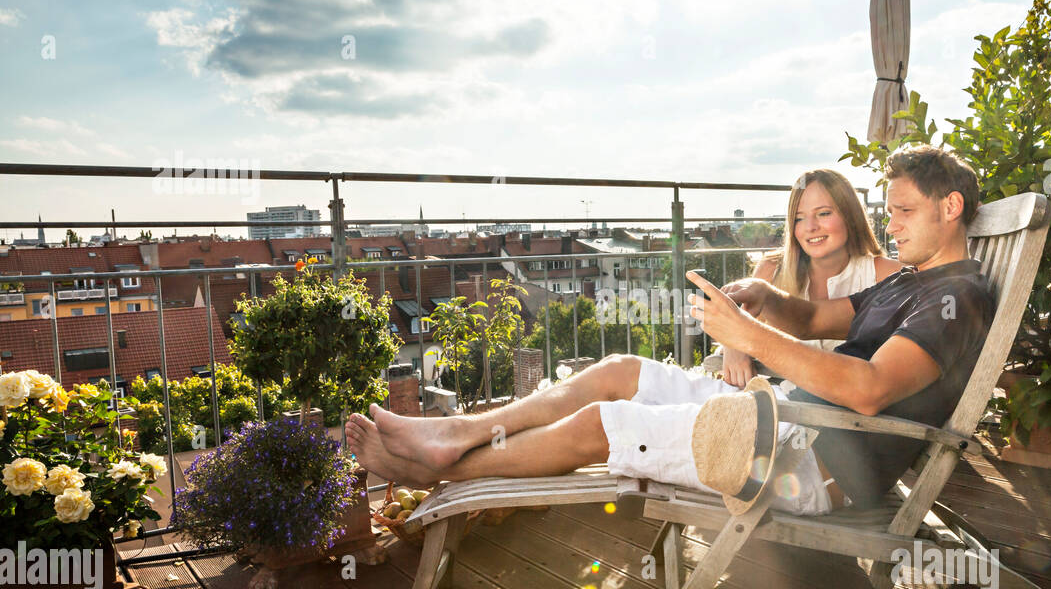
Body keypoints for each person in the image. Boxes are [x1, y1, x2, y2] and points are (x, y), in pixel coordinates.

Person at [347, 144, 996, 516]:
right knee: (617, 371)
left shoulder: (956, 298)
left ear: (951, 208)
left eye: (904, 210)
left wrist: (749, 337)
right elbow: (815, 318)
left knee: (601, 423)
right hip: (779, 418)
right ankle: (456, 434)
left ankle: (443, 473)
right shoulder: (907, 283)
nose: (893, 223)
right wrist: (763, 296)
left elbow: (869, 389)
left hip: (804, 461)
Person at [715, 167, 901, 388]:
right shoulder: (771, 270)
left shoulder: (887, 274)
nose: (810, 227)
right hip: (775, 402)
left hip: (847, 405)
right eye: (799, 218)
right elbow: (735, 325)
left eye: (823, 213)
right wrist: (733, 345)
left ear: (850, 216)